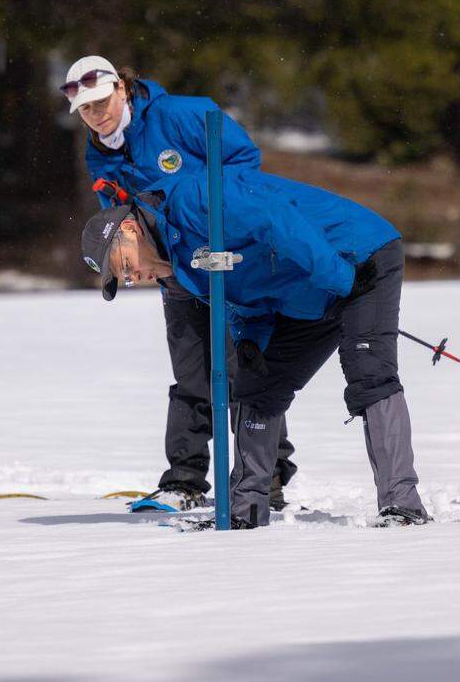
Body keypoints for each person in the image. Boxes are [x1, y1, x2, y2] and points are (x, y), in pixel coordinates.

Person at [79, 166, 429, 528]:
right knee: (257, 386)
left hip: (358, 258)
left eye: (125, 266)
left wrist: (341, 279)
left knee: (368, 370)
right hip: (308, 295)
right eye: (126, 279)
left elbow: (275, 218)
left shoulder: (192, 198)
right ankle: (245, 510)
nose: (135, 277)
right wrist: (249, 339)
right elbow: (242, 299)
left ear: (130, 230)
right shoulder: (181, 268)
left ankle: (403, 506)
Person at [62, 55, 296, 511]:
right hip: (172, 270)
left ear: (122, 89)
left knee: (242, 369)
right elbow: (122, 213)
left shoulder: (181, 114)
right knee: (191, 374)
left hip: (226, 259)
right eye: (86, 109)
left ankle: (265, 475)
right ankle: (185, 479)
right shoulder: (99, 152)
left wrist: (199, 209)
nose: (96, 113)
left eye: (102, 101)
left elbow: (245, 160)